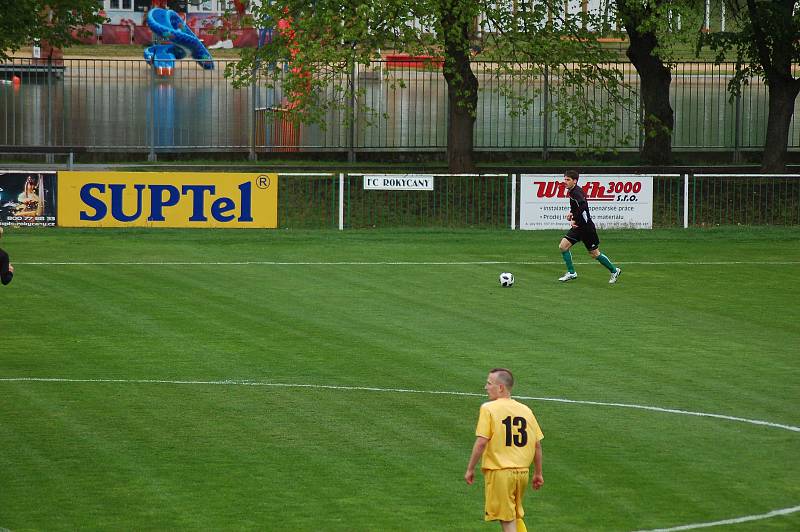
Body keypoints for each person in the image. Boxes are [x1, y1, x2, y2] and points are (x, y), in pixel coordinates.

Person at [465, 368, 544, 532]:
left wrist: (470, 468)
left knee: (506, 520)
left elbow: (481, 442)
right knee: (514, 516)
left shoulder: (489, 408)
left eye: (489, 383)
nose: (486, 387)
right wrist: (538, 473)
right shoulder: (526, 410)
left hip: (500, 472)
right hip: (522, 473)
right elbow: (536, 444)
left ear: (500, 388)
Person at [558, 170, 622, 284]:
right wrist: (571, 213)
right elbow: (577, 206)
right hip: (578, 227)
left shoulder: (576, 192)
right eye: (565, 179)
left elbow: (582, 204)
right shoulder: (572, 191)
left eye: (568, 180)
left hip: (586, 228)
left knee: (594, 253)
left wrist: (574, 218)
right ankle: (571, 273)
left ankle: (614, 270)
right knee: (563, 246)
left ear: (575, 181)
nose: (565, 182)